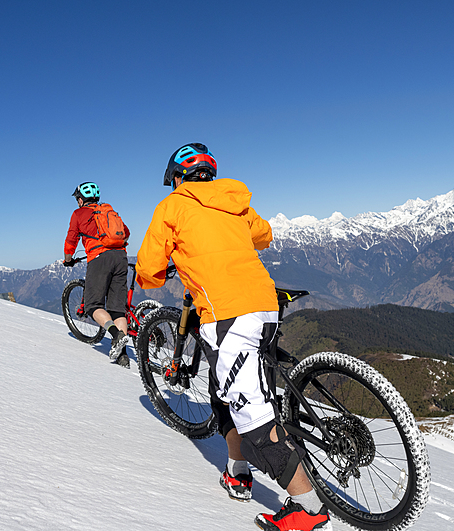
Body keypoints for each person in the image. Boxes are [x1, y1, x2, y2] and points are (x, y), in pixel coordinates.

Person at [135, 144, 332, 531]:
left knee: (254, 419)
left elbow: (149, 268)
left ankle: (308, 510)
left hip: (228, 314)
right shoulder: (234, 199)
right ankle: (236, 469)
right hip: (264, 304)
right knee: (225, 390)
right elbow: (264, 236)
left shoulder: (172, 207)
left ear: (176, 177)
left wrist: (157, 274)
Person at [63, 181, 133, 368]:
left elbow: (71, 238)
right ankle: (123, 356)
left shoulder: (79, 214)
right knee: (117, 308)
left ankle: (116, 335)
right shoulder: (108, 210)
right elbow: (126, 233)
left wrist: (68, 258)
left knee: (93, 305)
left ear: (80, 199)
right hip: (120, 257)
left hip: (99, 258)